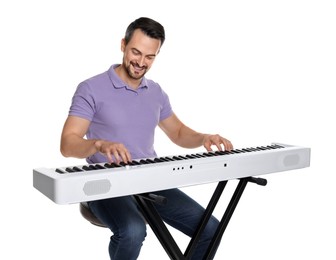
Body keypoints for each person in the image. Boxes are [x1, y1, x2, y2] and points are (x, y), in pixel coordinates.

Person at [60, 17, 233, 260]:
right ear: (123, 45)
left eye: (150, 57)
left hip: (149, 179)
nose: (141, 62)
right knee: (132, 231)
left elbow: (178, 133)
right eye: (136, 52)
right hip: (105, 183)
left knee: (211, 229)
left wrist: (204, 137)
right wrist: (98, 144)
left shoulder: (156, 93)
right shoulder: (90, 88)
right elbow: (68, 143)